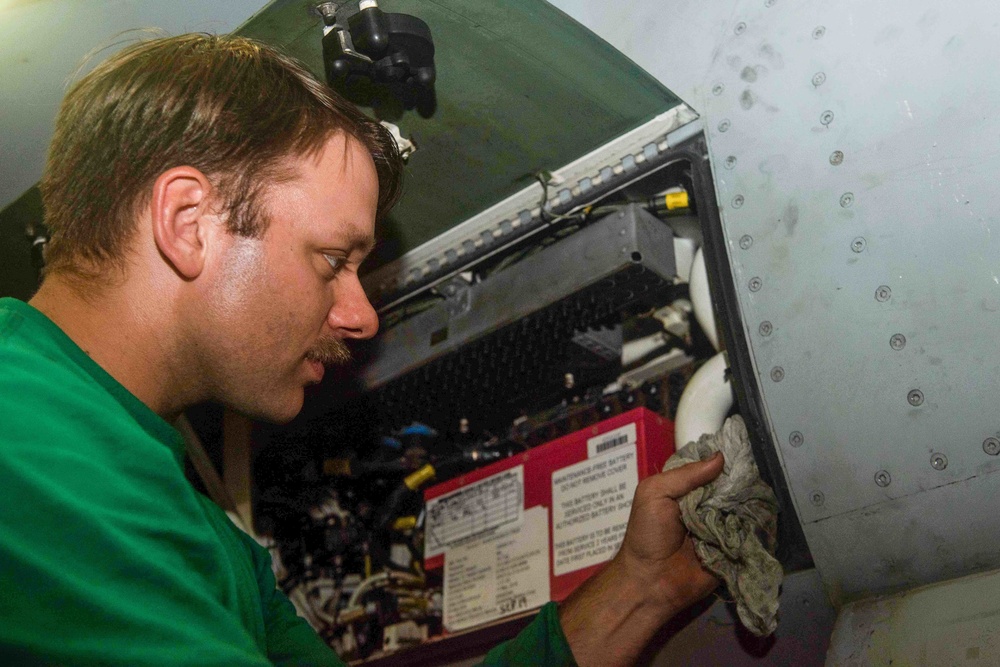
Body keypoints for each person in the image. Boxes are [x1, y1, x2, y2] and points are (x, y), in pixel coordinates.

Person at [0, 34, 725, 666]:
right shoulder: (23, 436)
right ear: (190, 222)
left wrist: (643, 584)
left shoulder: (199, 531)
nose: (361, 317)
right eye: (330, 261)